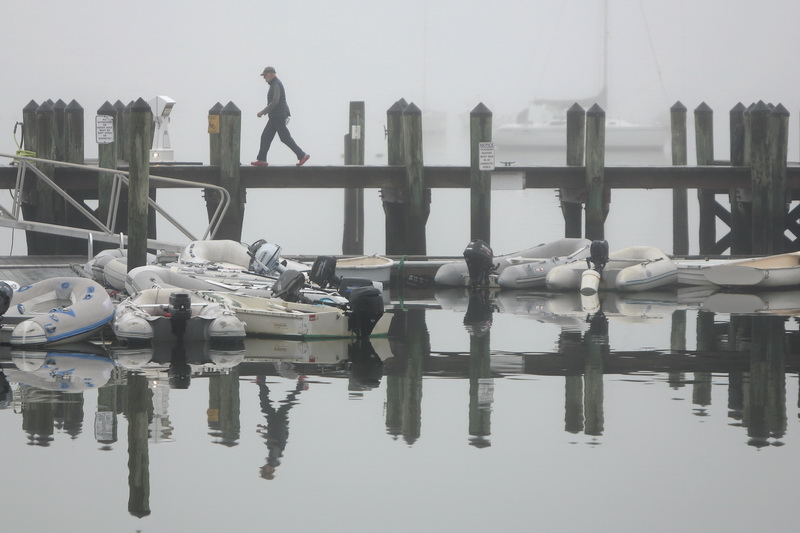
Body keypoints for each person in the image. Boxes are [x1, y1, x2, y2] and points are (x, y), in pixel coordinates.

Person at [251, 66, 310, 167]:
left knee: (284, 137)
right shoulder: (274, 84)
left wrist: (263, 112)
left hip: (278, 116)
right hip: (275, 116)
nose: (264, 78)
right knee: (266, 137)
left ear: (271, 74)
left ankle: (302, 155)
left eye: (265, 75)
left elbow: (275, 102)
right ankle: (262, 159)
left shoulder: (276, 84)